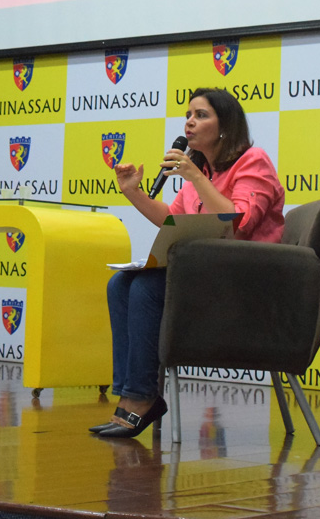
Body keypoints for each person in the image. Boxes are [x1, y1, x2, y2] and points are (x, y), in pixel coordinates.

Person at [91, 88, 285, 438]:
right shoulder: (204, 171)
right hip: (206, 280)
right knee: (121, 284)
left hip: (247, 286)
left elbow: (238, 220)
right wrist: (133, 191)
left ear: (225, 126)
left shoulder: (252, 161)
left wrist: (194, 175)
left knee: (148, 288)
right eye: (188, 114)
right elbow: (171, 218)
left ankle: (140, 399)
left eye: (201, 115)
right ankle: (133, 393)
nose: (190, 122)